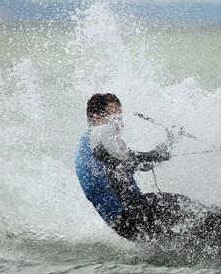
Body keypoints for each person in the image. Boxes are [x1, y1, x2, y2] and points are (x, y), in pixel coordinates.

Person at [75, 93, 188, 240]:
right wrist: (160, 151)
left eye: (120, 118)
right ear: (98, 118)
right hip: (131, 216)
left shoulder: (95, 145)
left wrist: (169, 142)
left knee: (185, 206)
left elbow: (139, 163)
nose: (121, 124)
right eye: (116, 117)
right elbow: (132, 160)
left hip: (128, 220)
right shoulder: (97, 136)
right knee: (189, 208)